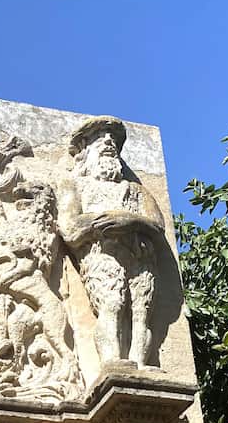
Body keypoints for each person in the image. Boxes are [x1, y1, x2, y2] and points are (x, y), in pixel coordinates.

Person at [58, 116, 165, 366]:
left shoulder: (136, 190)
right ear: (84, 148)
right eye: (100, 137)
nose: (108, 141)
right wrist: (105, 222)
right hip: (102, 254)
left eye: (113, 139)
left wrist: (129, 220)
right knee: (112, 305)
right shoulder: (75, 185)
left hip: (141, 255)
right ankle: (112, 362)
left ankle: (140, 365)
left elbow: (157, 225)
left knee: (141, 314)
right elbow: (70, 229)